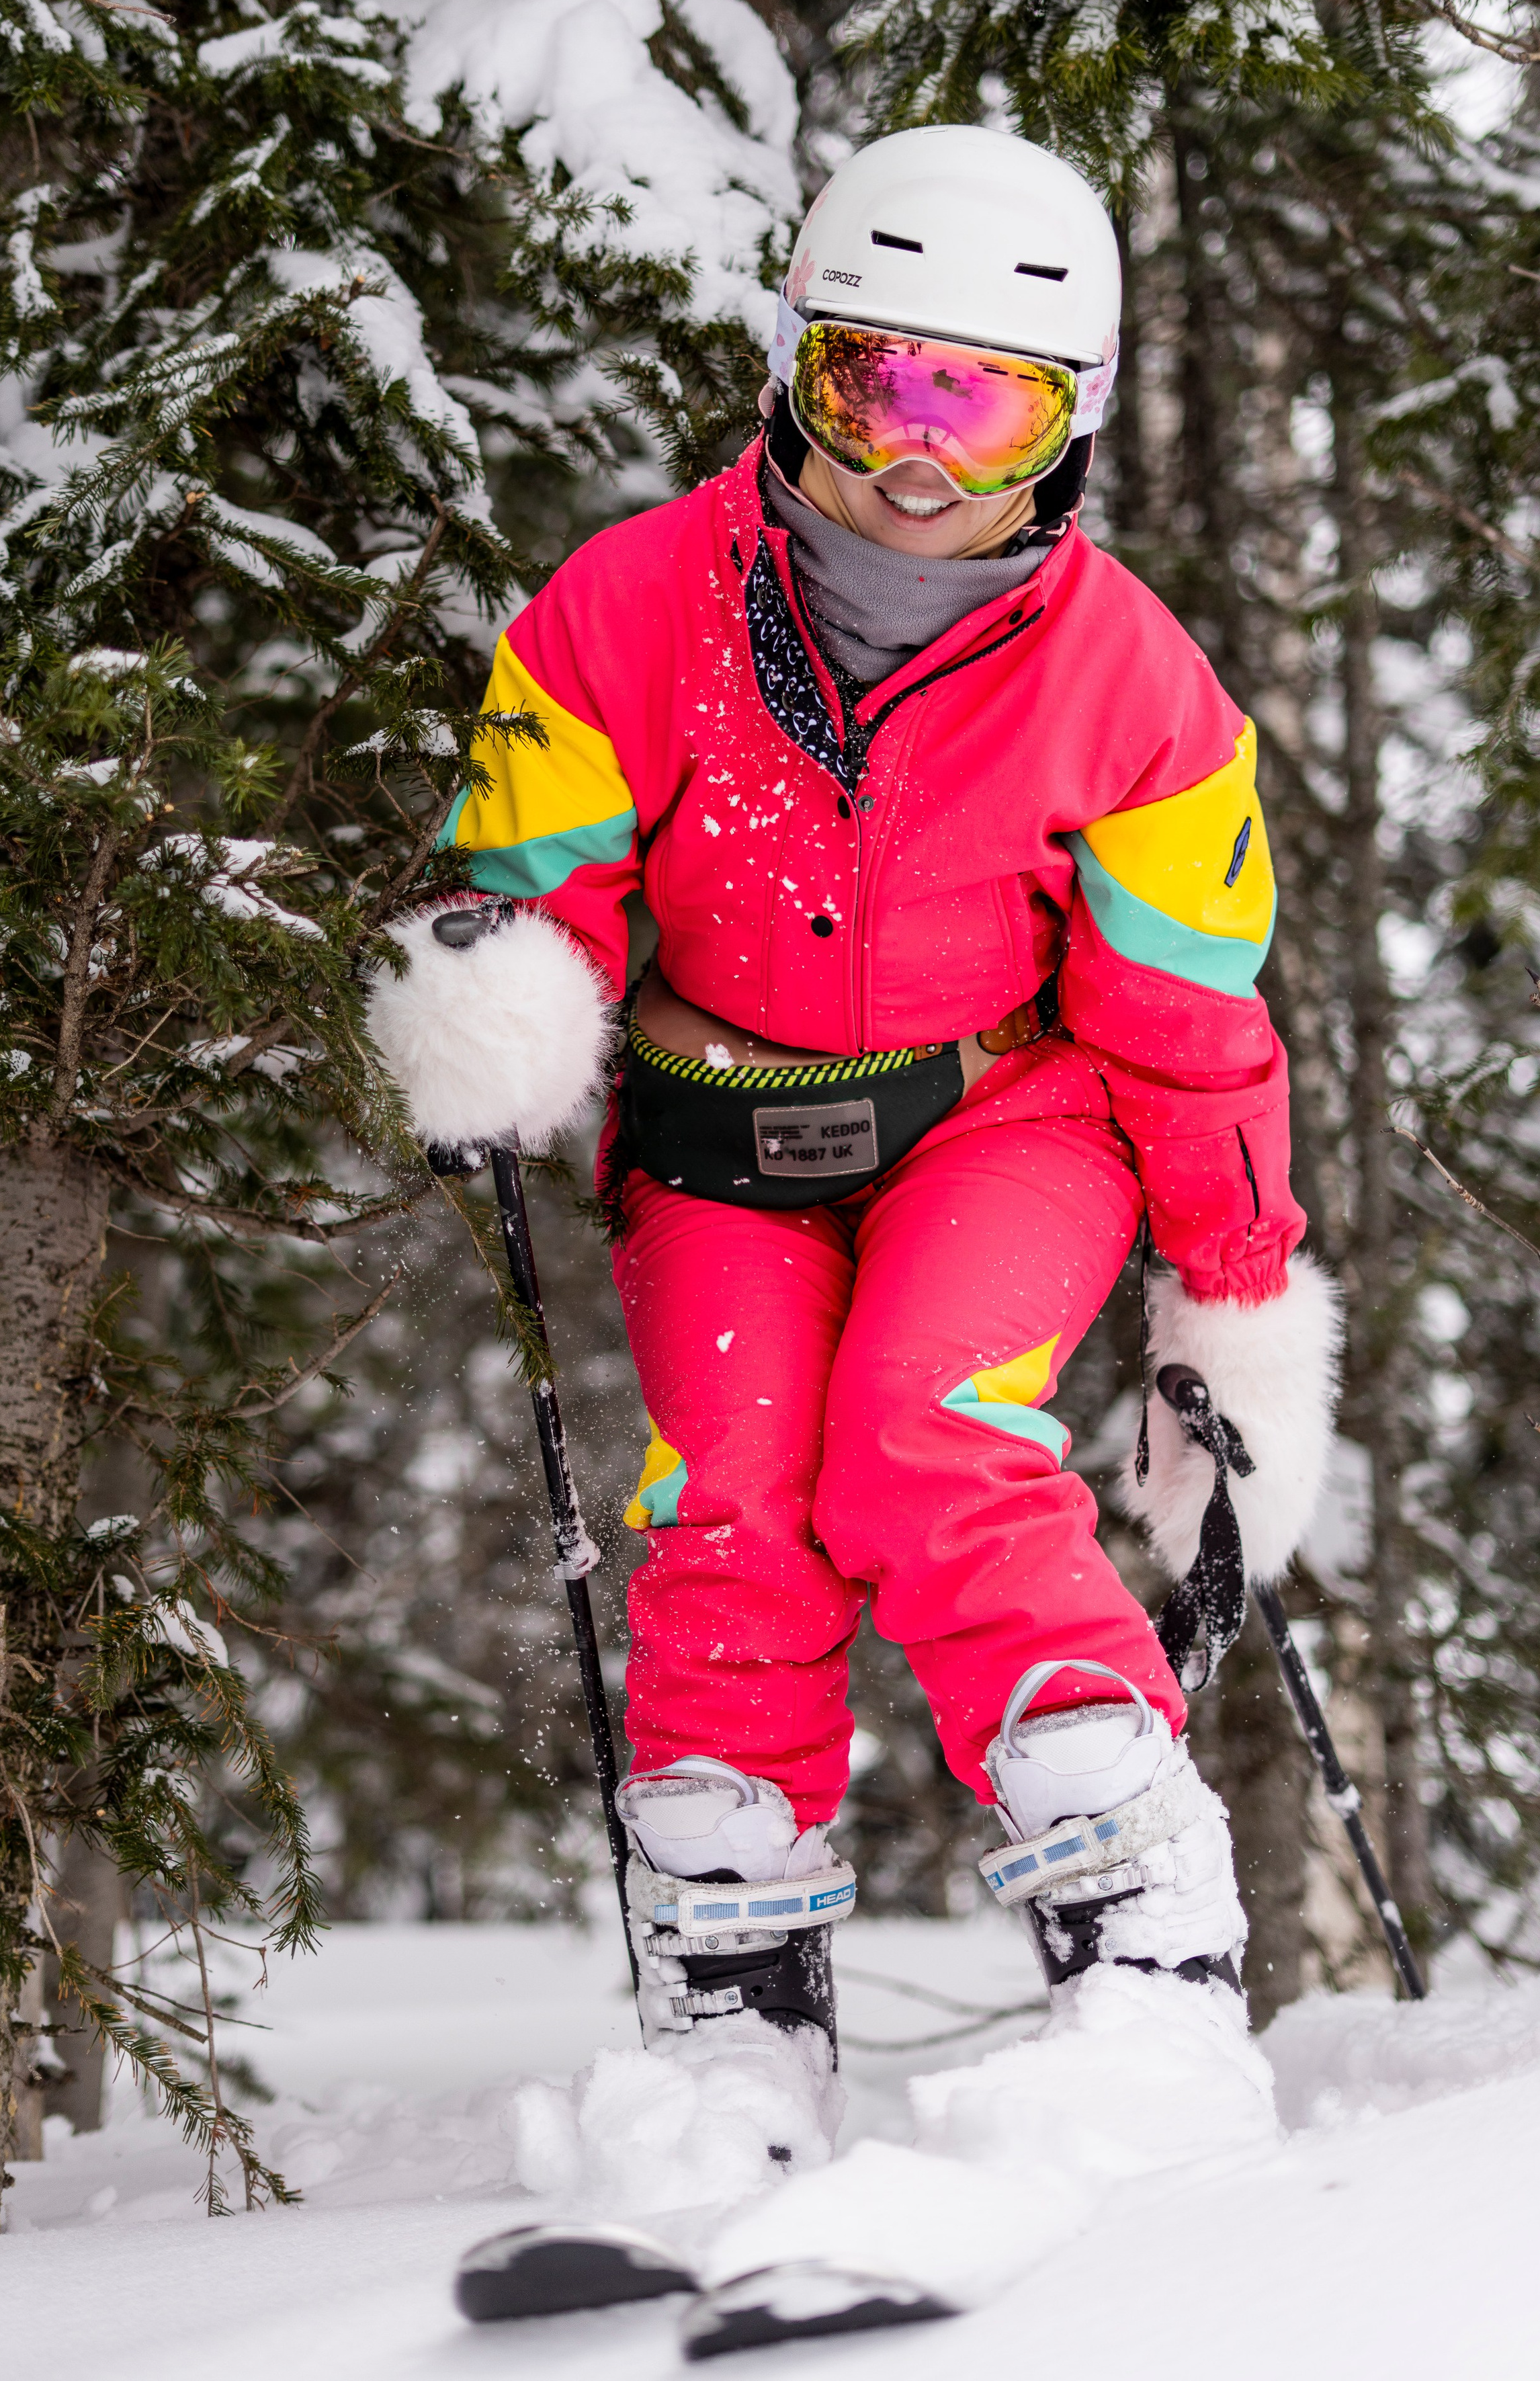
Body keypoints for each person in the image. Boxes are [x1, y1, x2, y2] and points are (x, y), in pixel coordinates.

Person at [368, 127, 1341, 2126]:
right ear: (792, 366)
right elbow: (543, 879)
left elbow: (1184, 1017)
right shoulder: (627, 607)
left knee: (929, 1432)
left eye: (984, 407)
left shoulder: (1136, 688)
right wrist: (501, 984)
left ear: (1070, 427)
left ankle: (1144, 1938)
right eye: (872, 382)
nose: (917, 456)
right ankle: (735, 2013)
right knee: (730, 1497)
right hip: (721, 1133)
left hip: (1003, 1118)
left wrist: (1230, 1288)